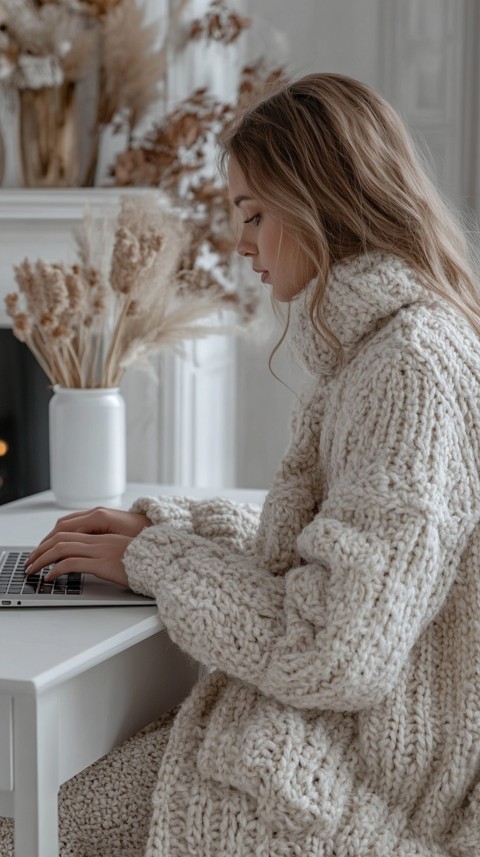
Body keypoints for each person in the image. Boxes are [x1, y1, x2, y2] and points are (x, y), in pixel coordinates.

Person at [15, 73, 480, 856]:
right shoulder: (383, 347)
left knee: (21, 814)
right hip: (330, 748)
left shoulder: (408, 369)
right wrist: (165, 523)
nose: (240, 243)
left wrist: (156, 558)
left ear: (322, 201)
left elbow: (338, 651)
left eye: (254, 214)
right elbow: (325, 552)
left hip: (343, 782)